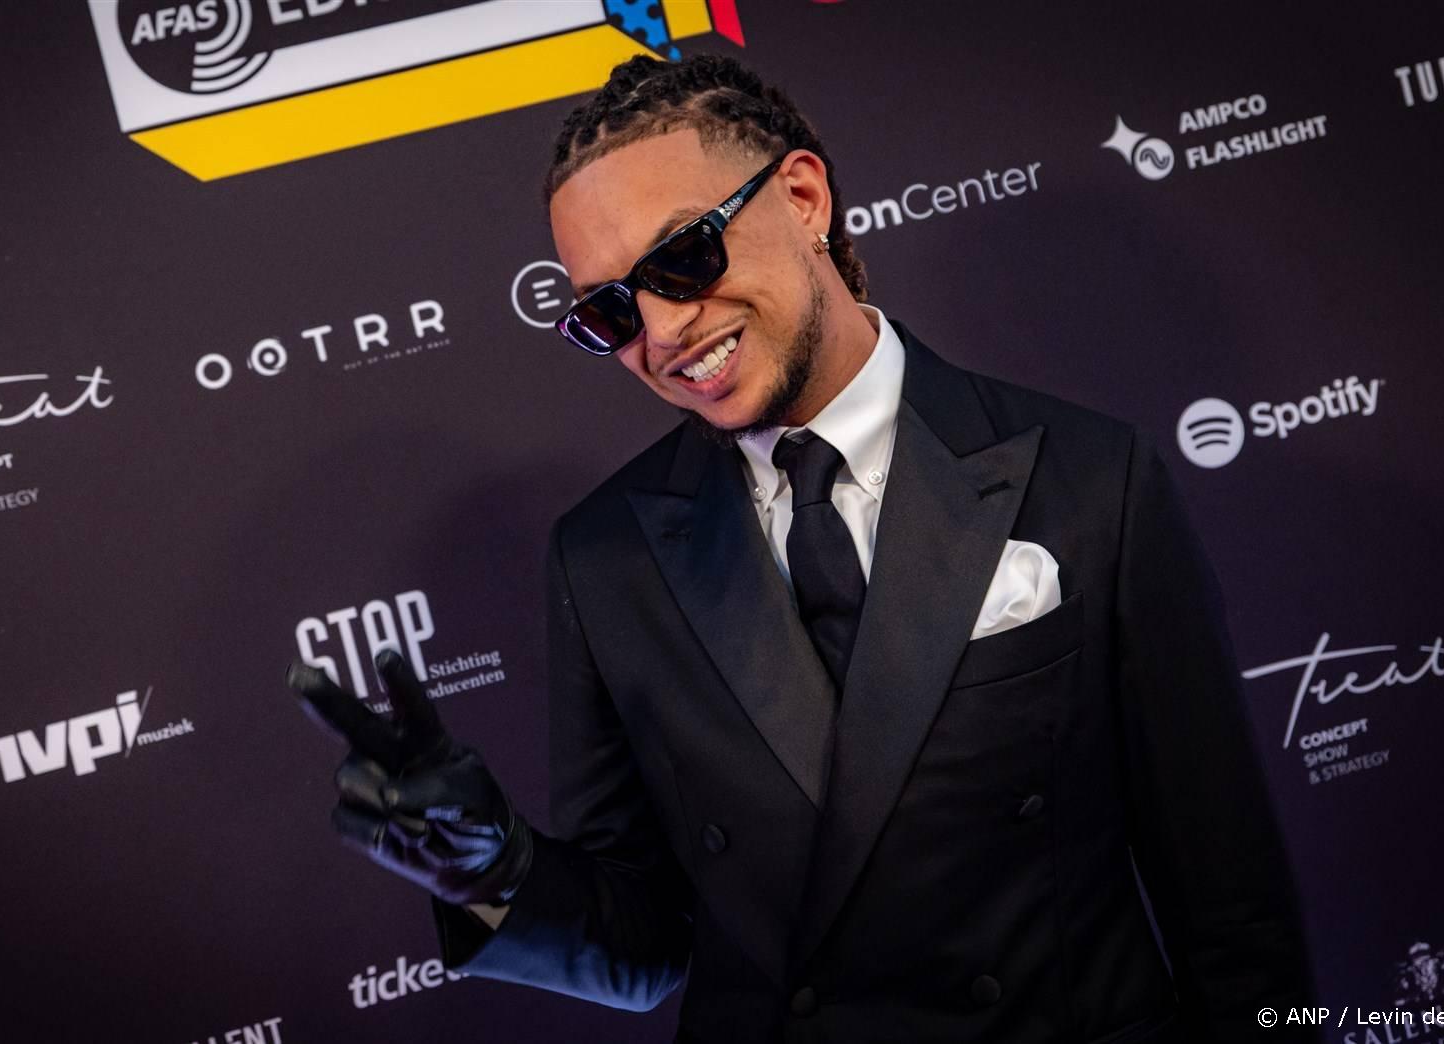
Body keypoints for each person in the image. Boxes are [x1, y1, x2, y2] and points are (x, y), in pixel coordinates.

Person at [288, 54, 1315, 1043]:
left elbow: (1233, 911)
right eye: (610, 311)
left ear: (805, 199)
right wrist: (495, 872)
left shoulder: (1092, 478)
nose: (663, 330)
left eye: (683, 256)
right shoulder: (605, 559)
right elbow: (647, 945)